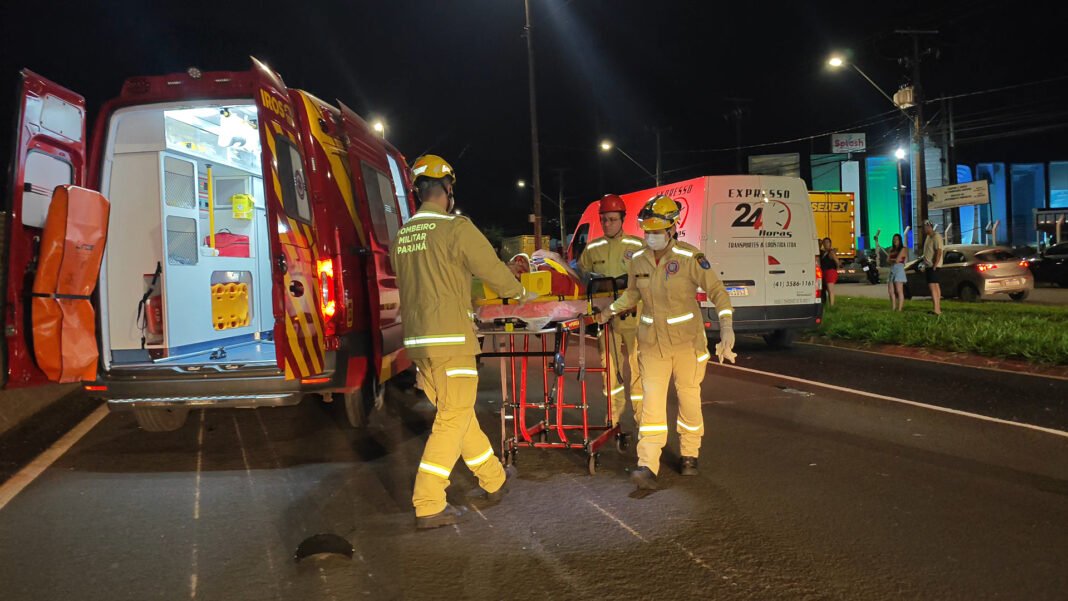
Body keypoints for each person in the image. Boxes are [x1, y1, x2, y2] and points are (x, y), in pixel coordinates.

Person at [390, 154, 537, 529]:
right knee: (453, 419)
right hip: (452, 341)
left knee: (459, 416)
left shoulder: (403, 235)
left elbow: (441, 280)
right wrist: (520, 294)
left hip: (420, 346)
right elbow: (490, 270)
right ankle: (427, 502)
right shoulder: (455, 228)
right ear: (447, 188)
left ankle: (493, 479)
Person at [596, 195, 735, 490]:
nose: (651, 236)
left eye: (657, 231)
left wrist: (727, 327)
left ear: (672, 229)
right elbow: (633, 294)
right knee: (651, 404)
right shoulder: (638, 259)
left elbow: (718, 292)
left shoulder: (690, 258)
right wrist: (610, 310)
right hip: (651, 344)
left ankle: (689, 453)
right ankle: (647, 463)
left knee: (688, 398)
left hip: (687, 344)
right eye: (648, 230)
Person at [577, 194, 647, 431]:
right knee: (610, 369)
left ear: (622, 220)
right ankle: (613, 416)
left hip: (634, 316)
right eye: (604, 220)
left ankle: (641, 417)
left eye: (613, 219)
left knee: (639, 368)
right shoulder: (592, 249)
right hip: (605, 319)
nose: (608, 224)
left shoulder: (637, 246)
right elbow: (581, 277)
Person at [874, 232, 908, 311]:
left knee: (899, 290)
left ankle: (900, 309)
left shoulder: (903, 249)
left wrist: (892, 260)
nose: (895, 241)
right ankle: (893, 307)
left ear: (900, 240)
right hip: (892, 269)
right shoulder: (891, 250)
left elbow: (898, 260)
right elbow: (887, 260)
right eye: (894, 239)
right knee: (890, 290)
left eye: (897, 239)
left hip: (899, 269)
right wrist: (892, 260)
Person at [921, 220, 944, 315]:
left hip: (933, 266)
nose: (924, 229)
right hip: (929, 265)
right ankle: (937, 308)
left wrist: (935, 264)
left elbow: (939, 251)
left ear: (930, 226)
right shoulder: (928, 237)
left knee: (932, 287)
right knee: (935, 286)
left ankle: (936, 309)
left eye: (926, 227)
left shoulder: (936, 237)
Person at [820, 238, 840, 306]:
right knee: (826, 289)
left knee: (830, 290)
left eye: (827, 242)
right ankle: (828, 304)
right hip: (825, 272)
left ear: (830, 243)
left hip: (830, 272)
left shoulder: (831, 252)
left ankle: (832, 305)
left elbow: (837, 261)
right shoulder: (823, 252)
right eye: (824, 242)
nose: (826, 244)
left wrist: (836, 269)